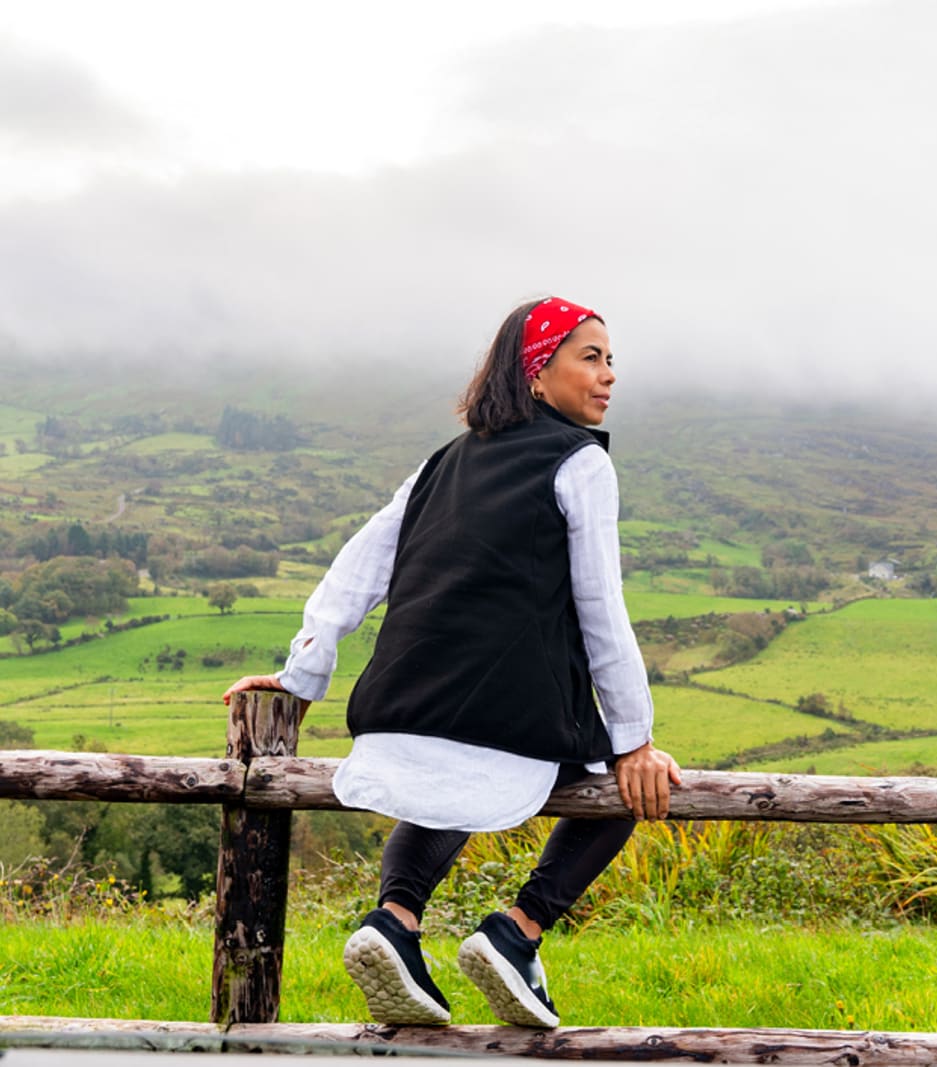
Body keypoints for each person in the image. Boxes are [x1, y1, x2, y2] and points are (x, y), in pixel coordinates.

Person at [222, 296, 680, 1028]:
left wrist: (304, 671)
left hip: (402, 705)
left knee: (448, 777)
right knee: (621, 788)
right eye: (590, 357)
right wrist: (636, 738)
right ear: (537, 373)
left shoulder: (443, 461)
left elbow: (358, 566)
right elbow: (602, 605)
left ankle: (395, 921)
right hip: (512, 713)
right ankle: (517, 932)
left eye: (610, 359)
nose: (609, 376)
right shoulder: (582, 463)